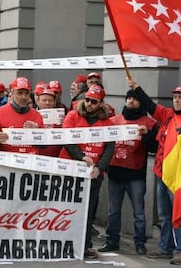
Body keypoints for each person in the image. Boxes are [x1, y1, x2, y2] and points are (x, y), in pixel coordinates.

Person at [128, 80, 181, 265]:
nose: (177, 100)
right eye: (175, 97)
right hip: (162, 173)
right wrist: (136, 88)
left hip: (180, 177)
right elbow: (150, 105)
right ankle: (165, 248)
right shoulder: (168, 115)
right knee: (164, 216)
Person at [98, 89, 157, 255]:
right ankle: (112, 241)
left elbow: (155, 147)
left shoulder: (149, 122)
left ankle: (140, 242)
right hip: (115, 173)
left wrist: (146, 136)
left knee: (139, 212)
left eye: (135, 99)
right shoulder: (114, 120)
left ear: (141, 103)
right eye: (128, 98)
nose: (131, 101)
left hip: (136, 175)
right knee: (113, 212)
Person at [59, 84, 115, 259]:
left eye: (94, 101)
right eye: (88, 100)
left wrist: (100, 168)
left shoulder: (107, 122)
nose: (90, 104)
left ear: (101, 103)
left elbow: (109, 148)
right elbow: (67, 139)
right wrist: (81, 157)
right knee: (66, 209)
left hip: (93, 174)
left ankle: (84, 245)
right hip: (71, 169)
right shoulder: (73, 115)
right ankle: (61, 243)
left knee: (88, 211)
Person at [0, 77, 44, 153]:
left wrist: (37, 133)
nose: (24, 97)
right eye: (20, 93)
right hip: (7, 161)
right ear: (12, 93)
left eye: (26, 93)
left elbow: (44, 145)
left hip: (30, 161)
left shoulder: (37, 115)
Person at [37, 88, 63, 157]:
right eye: (44, 100)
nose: (47, 103)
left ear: (54, 102)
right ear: (38, 101)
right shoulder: (32, 115)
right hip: (37, 155)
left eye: (50, 100)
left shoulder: (60, 116)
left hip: (56, 155)